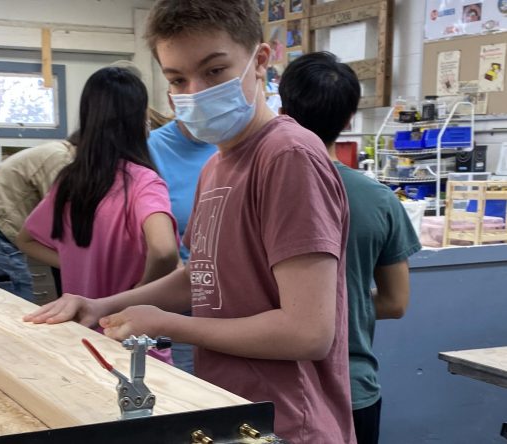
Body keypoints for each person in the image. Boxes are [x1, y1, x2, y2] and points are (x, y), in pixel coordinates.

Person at [23, 1, 354, 442]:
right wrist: (102, 306)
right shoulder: (217, 166)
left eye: (214, 71)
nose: (195, 91)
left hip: (290, 423)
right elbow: (198, 276)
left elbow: (307, 331)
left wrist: (164, 323)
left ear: (259, 61)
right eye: (178, 79)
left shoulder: (287, 156)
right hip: (234, 412)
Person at [279, 51, 421, 444]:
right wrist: (340, 303)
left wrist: (303, 310)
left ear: (282, 111)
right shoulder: (378, 200)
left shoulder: (258, 188)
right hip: (350, 386)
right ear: (348, 120)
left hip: (276, 385)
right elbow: (395, 302)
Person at [15, 67, 180, 364]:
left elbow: (26, 239)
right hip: (134, 343)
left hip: (82, 338)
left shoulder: (71, 181)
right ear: (139, 120)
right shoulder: (143, 181)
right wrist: (141, 289)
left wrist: (76, 260)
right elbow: (165, 249)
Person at [147, 103, 217, 374]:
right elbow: (160, 246)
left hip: (226, 304)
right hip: (178, 297)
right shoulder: (152, 148)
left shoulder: (232, 149)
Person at [0, 138, 74, 301]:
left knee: (2, 306)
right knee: (15, 307)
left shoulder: (52, 151)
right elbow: (63, 215)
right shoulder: (60, 158)